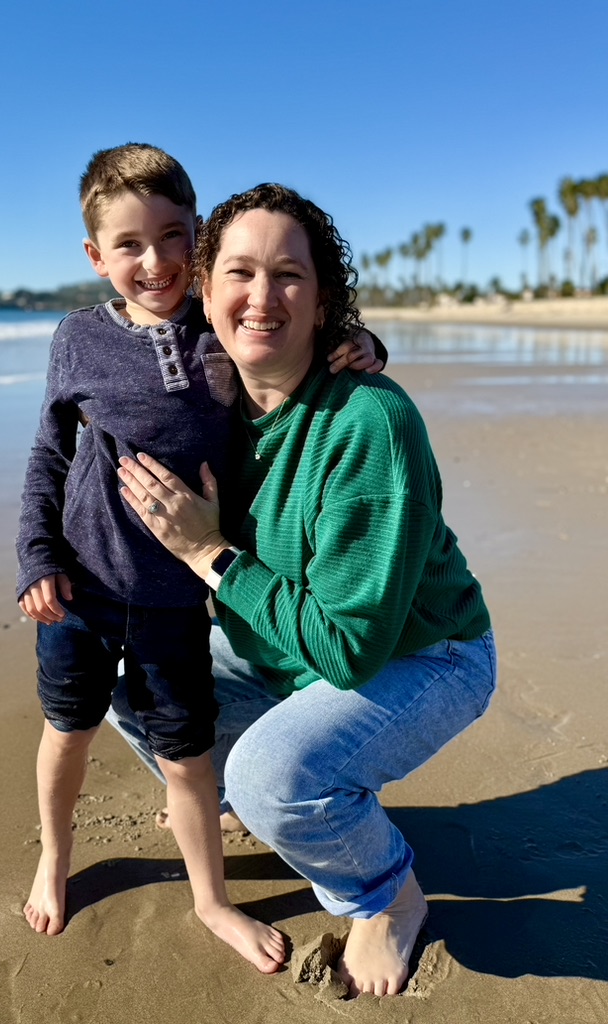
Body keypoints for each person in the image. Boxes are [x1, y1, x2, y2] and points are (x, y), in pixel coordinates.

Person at [113, 182, 497, 997]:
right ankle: (242, 792)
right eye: (240, 273)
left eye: (289, 276)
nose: (261, 296)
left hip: (424, 652)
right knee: (124, 673)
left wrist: (209, 553)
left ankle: (388, 894)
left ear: (324, 304)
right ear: (204, 290)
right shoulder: (201, 396)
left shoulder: (370, 422)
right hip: (281, 647)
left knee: (274, 780)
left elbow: (351, 651)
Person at [15, 144, 387, 972]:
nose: (155, 262)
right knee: (67, 730)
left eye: (173, 238)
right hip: (82, 586)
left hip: (178, 596)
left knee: (186, 758)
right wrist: (36, 557)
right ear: (96, 255)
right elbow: (48, 454)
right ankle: (54, 858)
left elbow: (286, 337)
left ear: (198, 238)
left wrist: (362, 341)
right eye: (130, 245)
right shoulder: (77, 338)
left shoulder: (217, 327)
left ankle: (211, 902)